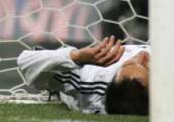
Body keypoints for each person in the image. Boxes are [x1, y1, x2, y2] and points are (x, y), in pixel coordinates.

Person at [17, 36, 149, 116]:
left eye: (128, 64)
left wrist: (77, 57)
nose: (142, 56)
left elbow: (26, 61)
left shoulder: (91, 81)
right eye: (147, 68)